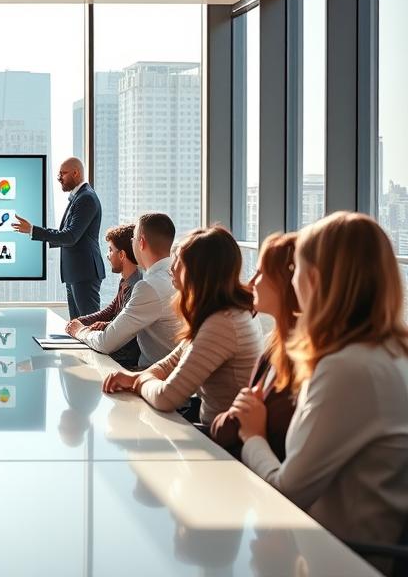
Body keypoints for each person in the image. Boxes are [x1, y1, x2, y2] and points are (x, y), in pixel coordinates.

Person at [233, 213, 408, 564]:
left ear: (313, 279)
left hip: (337, 559)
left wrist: (253, 435)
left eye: (296, 270)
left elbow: (286, 490)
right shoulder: (387, 353)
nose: (293, 281)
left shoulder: (347, 368)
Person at [102, 226, 262, 425]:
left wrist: (138, 382)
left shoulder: (223, 323)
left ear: (198, 271)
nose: (172, 268)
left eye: (178, 262)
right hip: (211, 428)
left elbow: (166, 398)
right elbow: (170, 363)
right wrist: (134, 377)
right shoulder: (218, 313)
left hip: (222, 443)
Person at [210, 233, 298, 459]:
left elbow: (227, 427)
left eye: (260, 272)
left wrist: (250, 431)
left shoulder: (298, 358)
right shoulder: (274, 343)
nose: (251, 282)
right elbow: (225, 426)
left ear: (285, 282)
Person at [67, 213, 183, 368]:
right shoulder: (178, 277)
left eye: (132, 239)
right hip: (172, 374)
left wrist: (79, 331)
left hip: (151, 376)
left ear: (141, 243)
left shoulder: (148, 287)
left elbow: (106, 343)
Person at [12, 157, 105, 318]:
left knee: (89, 325)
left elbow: (70, 236)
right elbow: (69, 235)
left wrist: (33, 230)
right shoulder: (79, 197)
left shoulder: (86, 198)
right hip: (76, 273)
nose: (59, 178)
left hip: (84, 273)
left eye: (63, 173)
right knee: (77, 325)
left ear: (76, 173)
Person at [67, 224, 142, 368]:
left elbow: (125, 325)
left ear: (122, 255)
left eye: (110, 250)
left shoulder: (137, 286)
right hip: (113, 352)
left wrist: (102, 325)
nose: (108, 256)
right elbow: (110, 311)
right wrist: (78, 322)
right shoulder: (125, 281)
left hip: (123, 360)